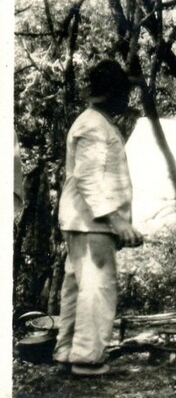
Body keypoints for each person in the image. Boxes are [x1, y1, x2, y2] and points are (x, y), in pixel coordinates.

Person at [54, 59, 143, 376]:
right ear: (112, 94)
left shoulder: (96, 122)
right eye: (123, 94)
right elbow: (89, 180)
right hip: (91, 222)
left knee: (78, 287)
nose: (126, 100)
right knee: (97, 287)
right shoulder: (93, 126)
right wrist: (116, 221)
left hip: (85, 221)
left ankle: (68, 352)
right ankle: (87, 359)